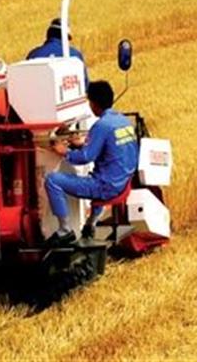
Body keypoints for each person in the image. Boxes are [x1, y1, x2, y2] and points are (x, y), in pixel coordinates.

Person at [43, 80, 139, 247]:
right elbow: (110, 148)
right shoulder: (123, 121)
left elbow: (85, 158)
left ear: (94, 103)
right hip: (122, 182)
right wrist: (84, 143)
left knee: (52, 180)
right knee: (99, 173)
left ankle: (64, 231)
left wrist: (64, 151)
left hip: (105, 187)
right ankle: (90, 225)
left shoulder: (101, 125)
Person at [27, 17, 89, 88]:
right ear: (65, 37)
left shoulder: (33, 55)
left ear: (48, 34)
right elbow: (84, 85)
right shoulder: (75, 55)